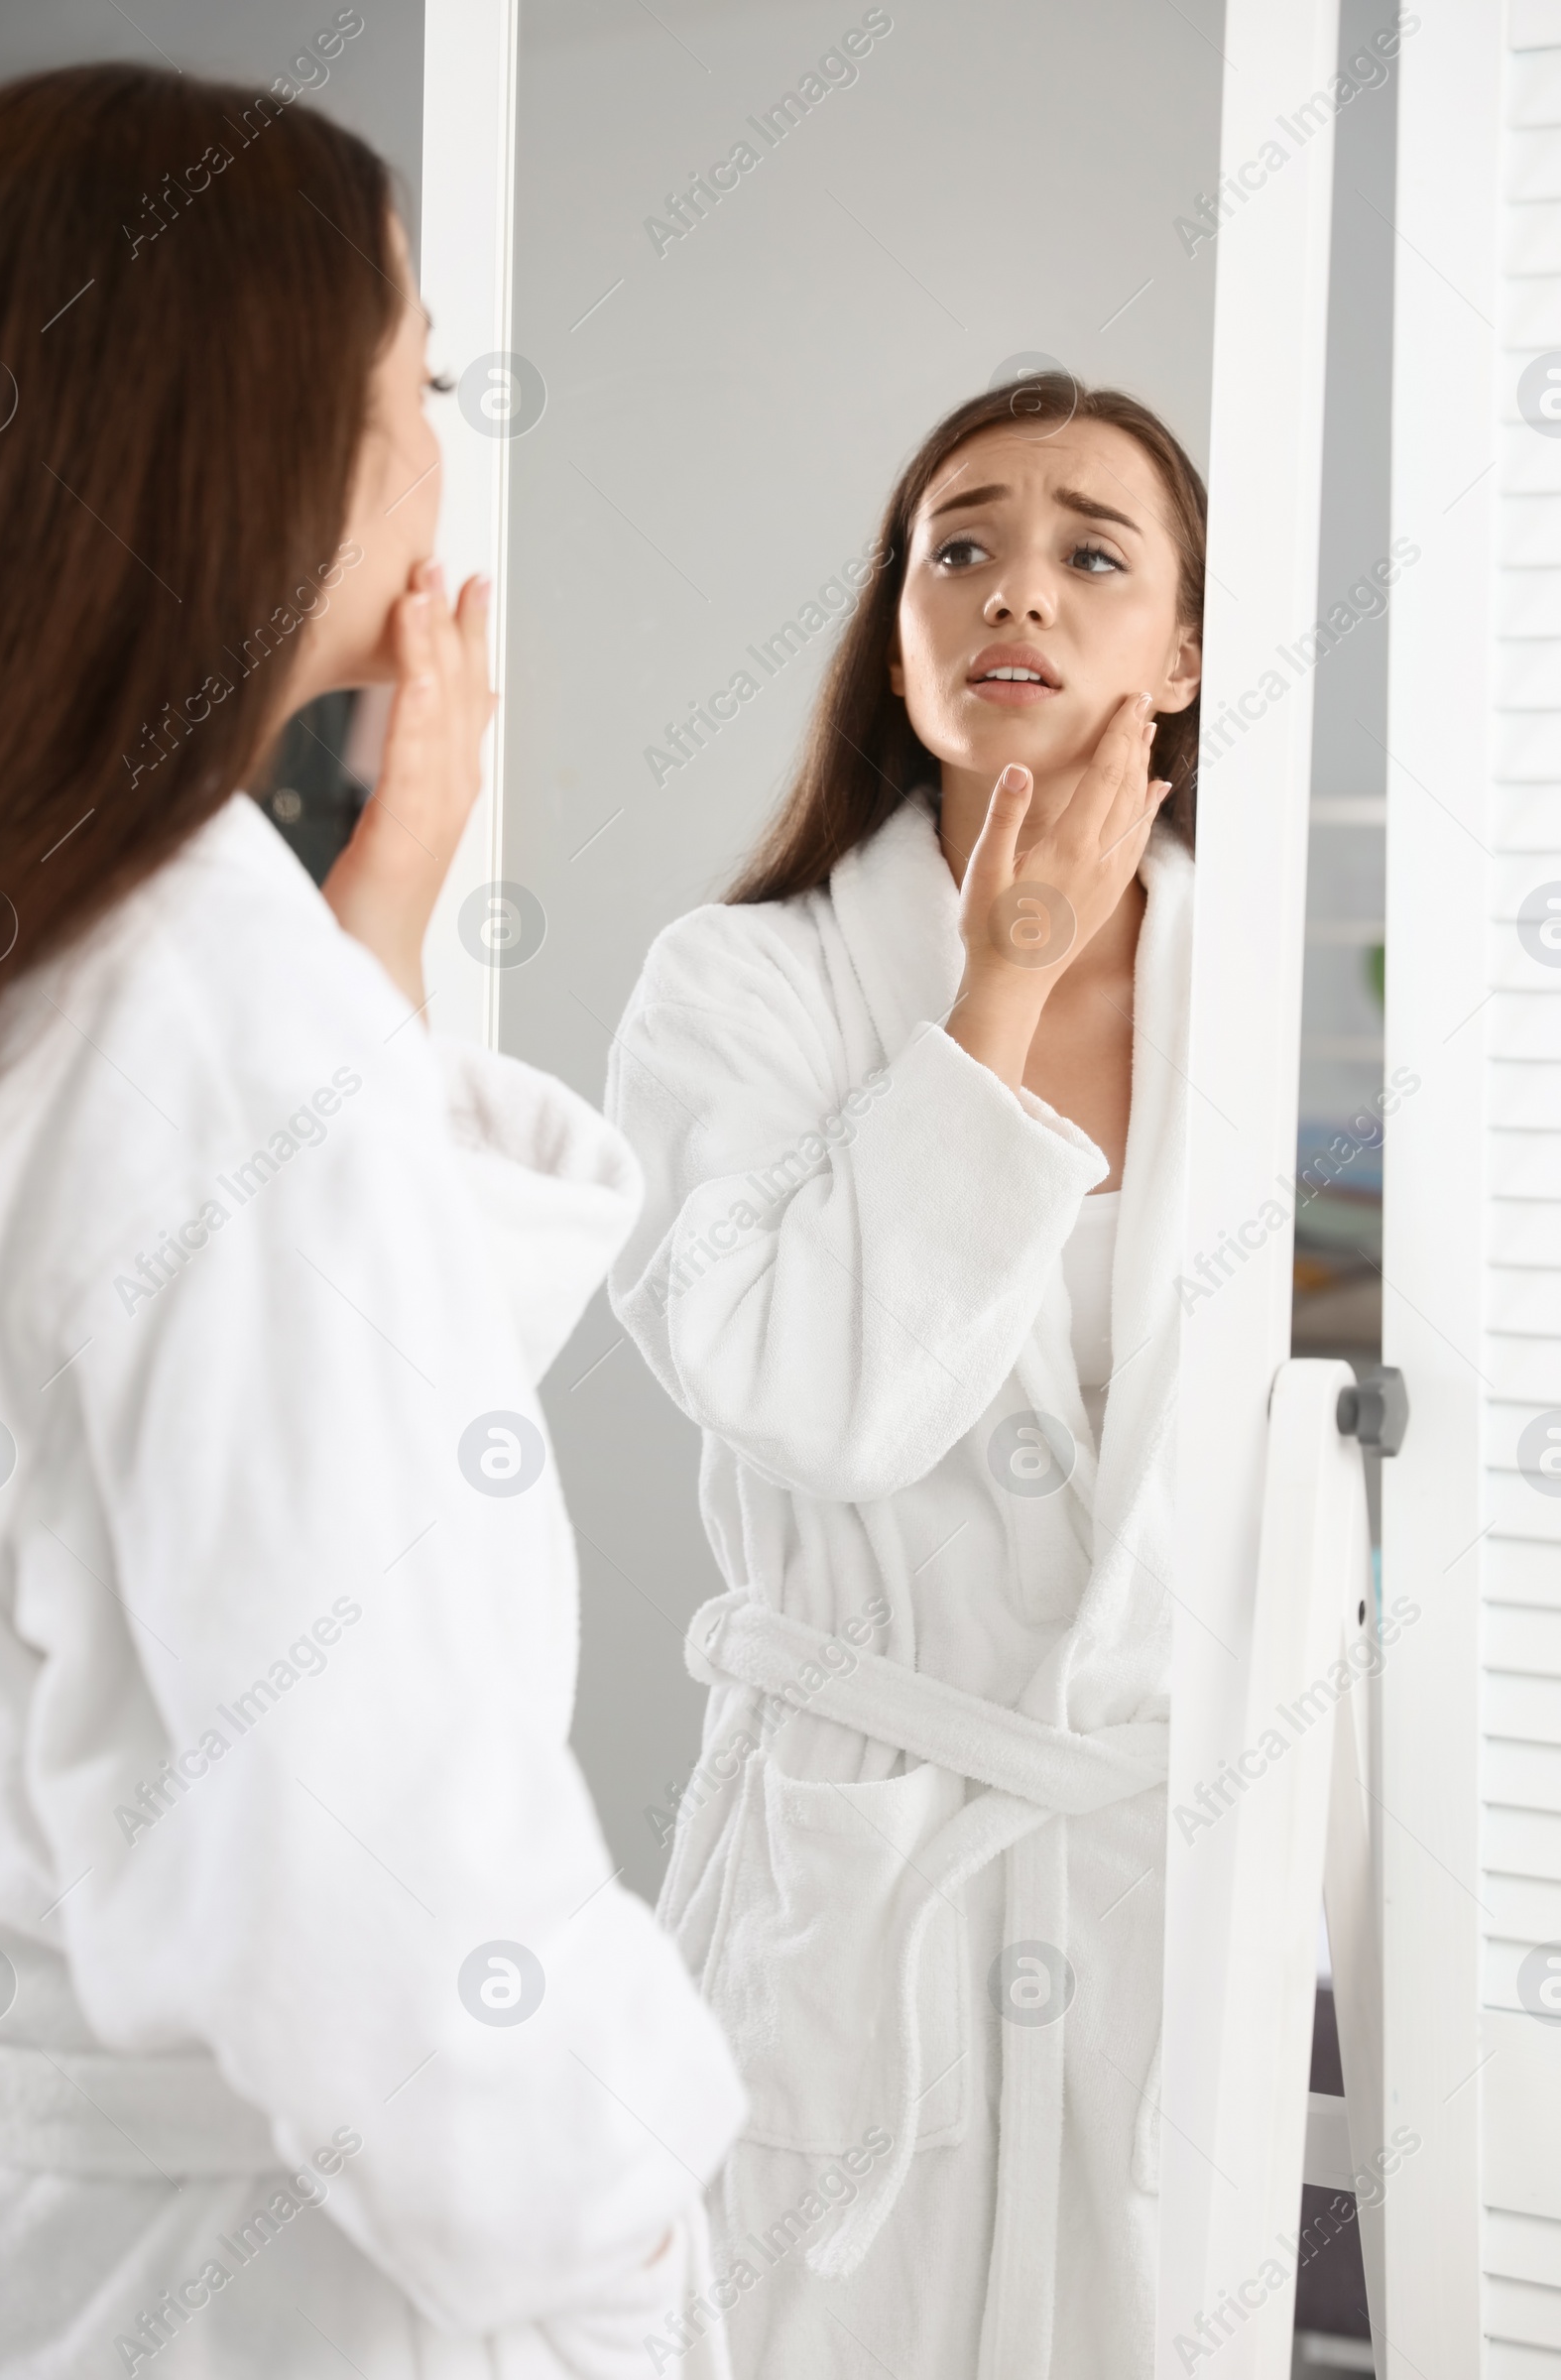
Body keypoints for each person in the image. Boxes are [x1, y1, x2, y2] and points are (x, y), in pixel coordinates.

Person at [0, 63, 743, 2379]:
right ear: (247, 445)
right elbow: (375, 1864)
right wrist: (613, 2254)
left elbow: (183, 1490)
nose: (433, 452)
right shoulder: (209, 1025)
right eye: (408, 385)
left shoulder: (93, 960)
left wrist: (366, 924)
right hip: (286, 2279)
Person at [605, 376, 1204, 2378]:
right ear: (897, 633)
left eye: (1086, 554)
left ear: (1180, 650)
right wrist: (1002, 984)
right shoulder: (741, 984)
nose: (1009, 591)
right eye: (957, 547)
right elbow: (810, 1397)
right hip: (851, 1887)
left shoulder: (1276, 1003)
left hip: (1166, 1875)